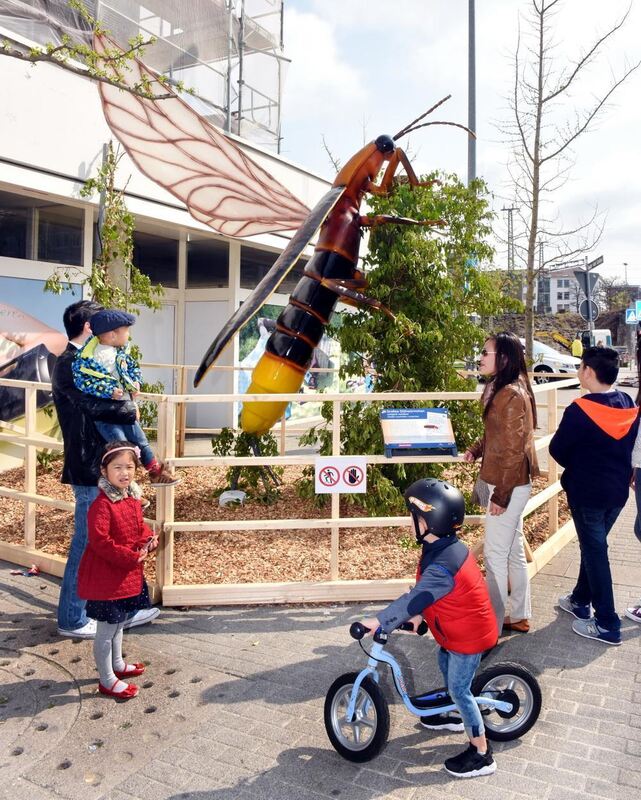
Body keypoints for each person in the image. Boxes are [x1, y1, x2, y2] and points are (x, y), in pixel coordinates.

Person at [360, 479, 498, 779]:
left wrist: (380, 621)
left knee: (461, 690)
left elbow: (416, 597)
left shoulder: (442, 564)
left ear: (431, 522)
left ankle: (481, 754)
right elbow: (436, 595)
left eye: (416, 517)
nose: (411, 522)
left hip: (468, 638)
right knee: (444, 665)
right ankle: (450, 714)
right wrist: (422, 619)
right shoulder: (441, 547)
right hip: (456, 632)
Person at [52, 300, 159, 639]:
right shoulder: (70, 363)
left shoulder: (98, 359)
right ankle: (72, 618)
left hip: (107, 465)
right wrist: (129, 410)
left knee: (120, 537)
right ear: (89, 328)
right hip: (89, 467)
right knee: (87, 543)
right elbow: (94, 405)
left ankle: (122, 608)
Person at [550, 346, 638, 645]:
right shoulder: (626, 401)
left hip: (586, 492)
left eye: (580, 367)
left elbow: (558, 450)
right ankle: (578, 600)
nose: (578, 372)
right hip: (616, 493)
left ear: (588, 371)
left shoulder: (580, 409)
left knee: (595, 551)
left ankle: (606, 622)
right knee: (594, 547)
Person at [464, 331, 539, 633]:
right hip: (508, 480)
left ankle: (489, 626)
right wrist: (475, 449)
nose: (480, 357)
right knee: (511, 550)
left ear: (503, 358)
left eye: (486, 353)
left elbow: (513, 449)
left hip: (507, 483)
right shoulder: (505, 387)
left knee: (496, 554)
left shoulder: (510, 393)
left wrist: (501, 496)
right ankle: (519, 614)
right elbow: (498, 435)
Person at [78, 441, 158, 699]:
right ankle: (107, 678)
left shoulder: (132, 497)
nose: (125, 473)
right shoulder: (101, 505)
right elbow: (100, 541)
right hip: (107, 578)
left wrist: (147, 541)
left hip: (126, 573)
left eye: (130, 467)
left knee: (120, 622)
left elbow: (138, 528)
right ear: (104, 471)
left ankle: (117, 665)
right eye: (118, 468)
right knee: (106, 629)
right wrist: (129, 556)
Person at [72, 308, 178, 486]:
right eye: (126, 330)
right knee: (120, 446)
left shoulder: (121, 353)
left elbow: (133, 370)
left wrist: (135, 383)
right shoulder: (87, 359)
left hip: (124, 408)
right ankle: (128, 490)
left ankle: (155, 471)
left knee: (140, 440)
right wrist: (108, 390)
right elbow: (84, 381)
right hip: (105, 412)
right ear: (113, 335)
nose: (128, 335)